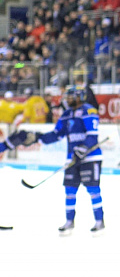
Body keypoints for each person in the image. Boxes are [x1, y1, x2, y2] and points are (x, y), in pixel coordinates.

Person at [25, 86, 105, 234]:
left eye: (71, 97)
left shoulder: (89, 111)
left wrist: (81, 150)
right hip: (72, 159)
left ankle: (99, 221)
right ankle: (69, 221)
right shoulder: (67, 114)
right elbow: (57, 134)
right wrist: (38, 137)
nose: (67, 100)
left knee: (93, 190)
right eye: (67, 97)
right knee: (70, 191)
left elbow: (92, 136)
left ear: (79, 97)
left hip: (90, 158)